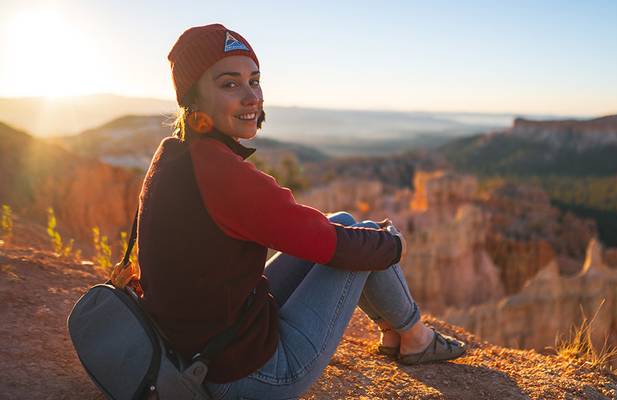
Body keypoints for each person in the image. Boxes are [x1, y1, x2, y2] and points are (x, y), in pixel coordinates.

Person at [136, 23, 465, 399]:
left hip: (199, 347)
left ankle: (398, 335)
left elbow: (307, 229)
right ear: (193, 98)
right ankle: (416, 339)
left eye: (254, 81)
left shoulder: (175, 154)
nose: (251, 97)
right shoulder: (222, 174)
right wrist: (394, 245)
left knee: (342, 222)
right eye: (229, 84)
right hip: (248, 376)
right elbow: (330, 245)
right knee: (367, 240)